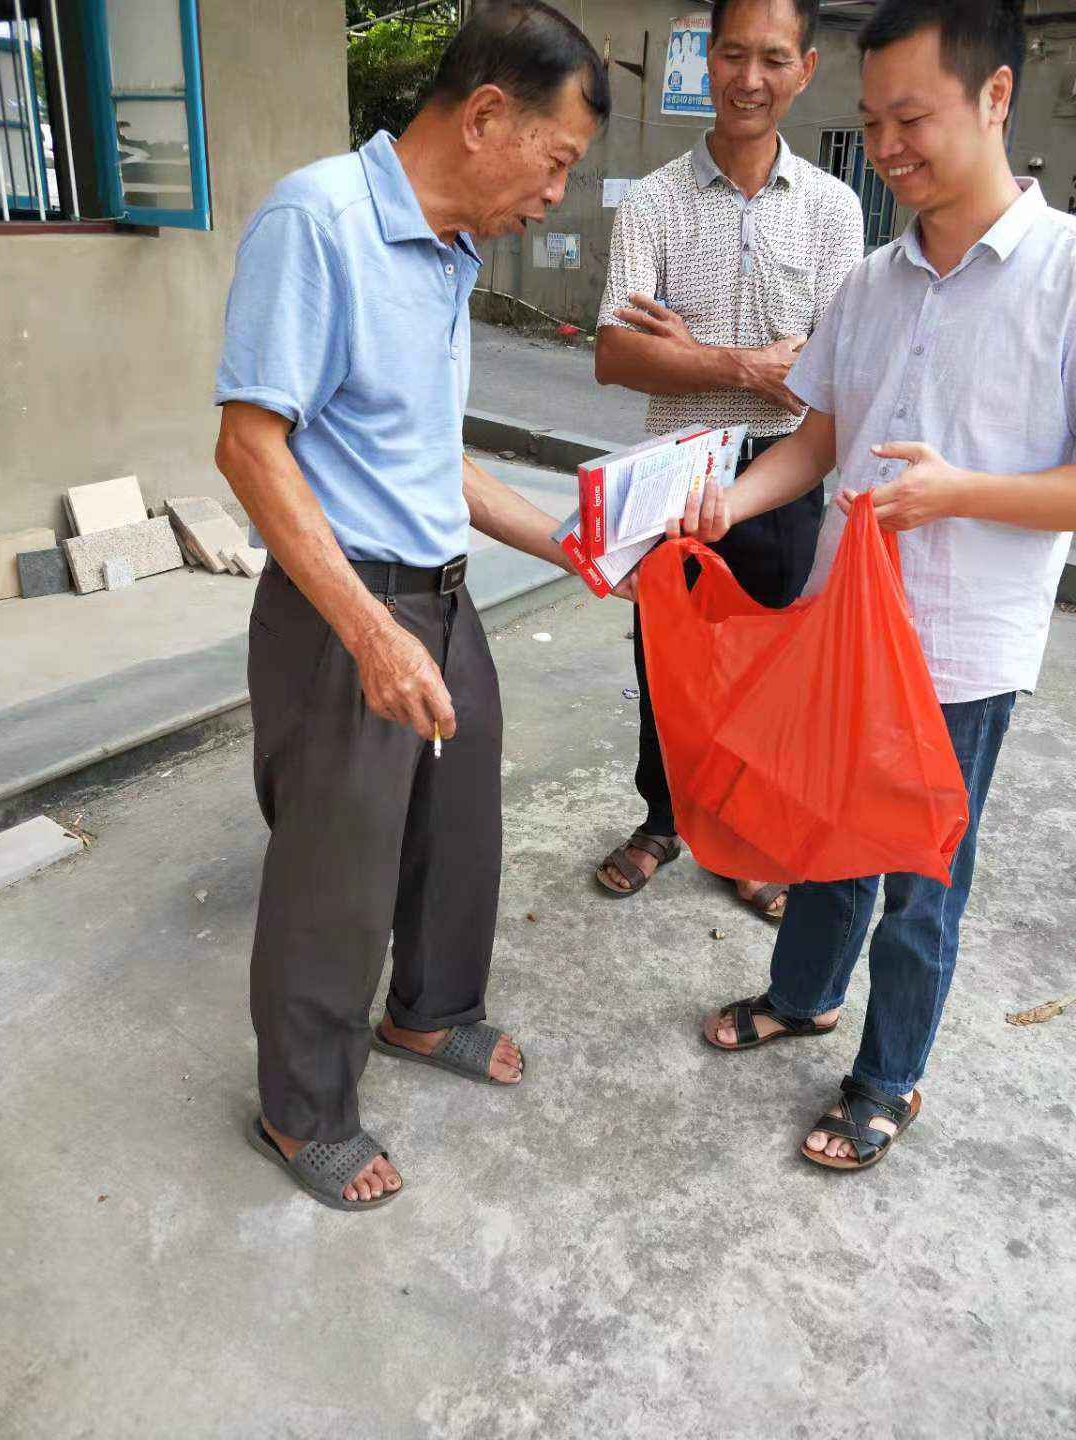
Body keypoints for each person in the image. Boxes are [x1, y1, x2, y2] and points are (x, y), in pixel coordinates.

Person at [214, 1, 610, 1213]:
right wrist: (370, 633)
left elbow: (430, 455)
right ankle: (302, 1109)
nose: (556, 196)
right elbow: (250, 447)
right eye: (555, 160)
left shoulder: (447, 253)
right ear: (486, 115)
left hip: (439, 592)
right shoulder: (320, 221)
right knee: (335, 872)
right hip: (345, 609)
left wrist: (569, 542)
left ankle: (428, 1010)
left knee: (458, 821)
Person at [696, 0, 1076, 1169]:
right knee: (825, 834)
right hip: (844, 622)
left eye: (911, 118)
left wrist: (961, 491)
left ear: (996, 97)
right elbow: (821, 436)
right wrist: (734, 502)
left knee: (919, 877)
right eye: (870, 122)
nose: (888, 147)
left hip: (961, 651)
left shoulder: (1065, 275)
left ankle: (889, 1077)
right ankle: (805, 995)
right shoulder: (872, 281)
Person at [594, 0, 864, 918]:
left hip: (786, 471)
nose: (750, 79)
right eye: (733, 55)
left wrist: (686, 347)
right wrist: (746, 364)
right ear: (704, 59)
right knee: (667, 659)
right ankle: (663, 820)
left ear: (806, 68)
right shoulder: (653, 202)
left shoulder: (833, 211)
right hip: (675, 471)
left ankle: (746, 835)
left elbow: (829, 370)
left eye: (773, 59)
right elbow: (615, 354)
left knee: (769, 663)